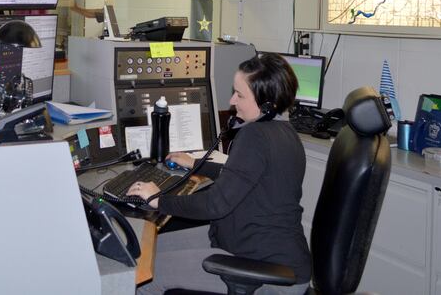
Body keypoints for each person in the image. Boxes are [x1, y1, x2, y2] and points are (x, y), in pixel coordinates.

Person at [127, 52, 311, 294]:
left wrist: (158, 199)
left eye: (240, 95)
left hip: (269, 272)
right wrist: (195, 164)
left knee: (143, 276)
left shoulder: (254, 136)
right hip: (257, 246)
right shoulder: (286, 132)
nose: (233, 101)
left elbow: (215, 205)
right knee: (145, 250)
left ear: (267, 105)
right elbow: (242, 174)